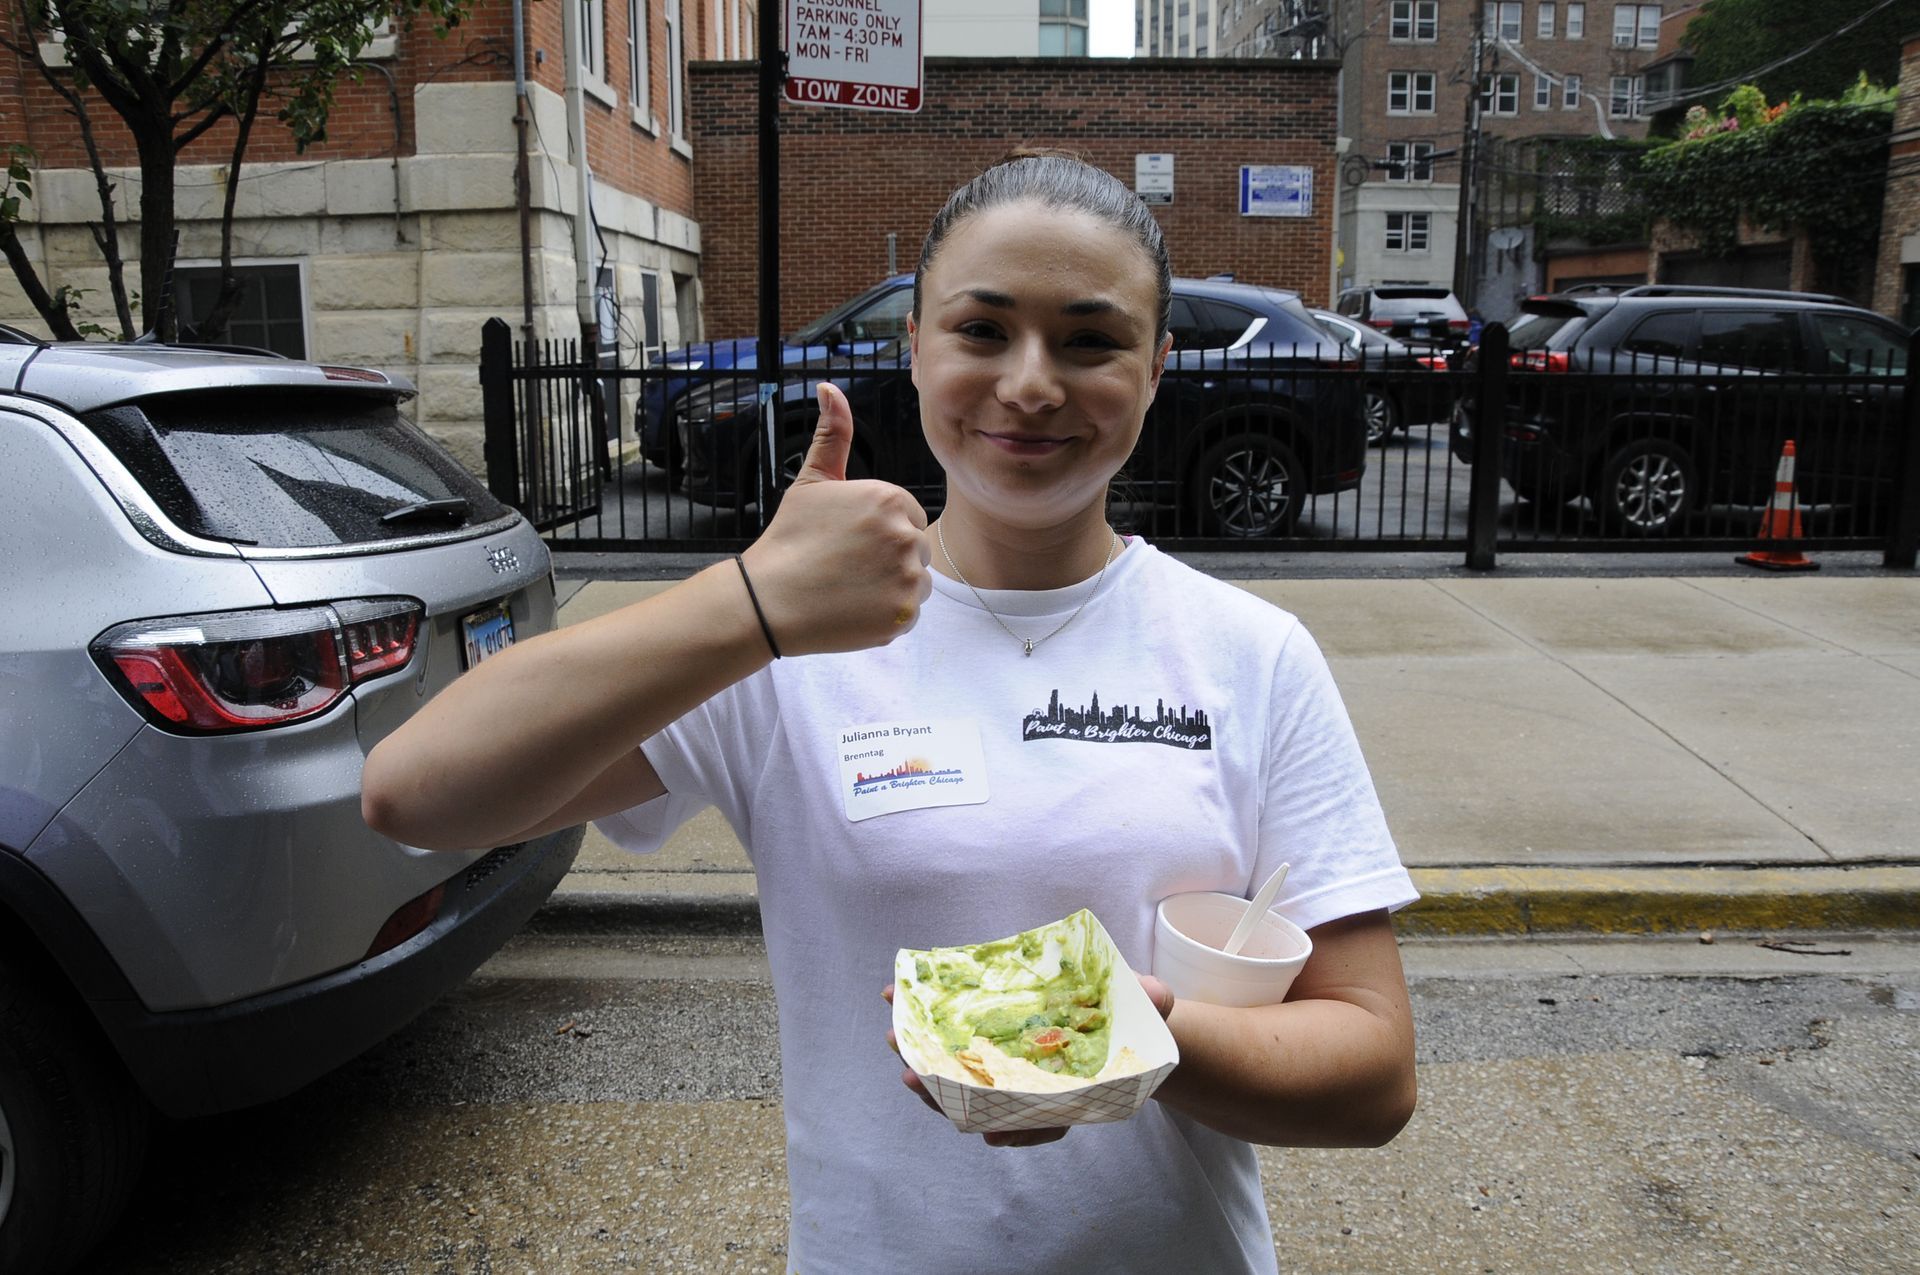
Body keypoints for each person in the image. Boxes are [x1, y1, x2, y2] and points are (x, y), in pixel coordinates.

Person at [363, 150, 1418, 1273]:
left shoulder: (1250, 657)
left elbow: (1373, 1070)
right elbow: (417, 794)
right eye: (982, 329)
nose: (1029, 382)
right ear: (913, 349)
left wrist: (1132, 1039)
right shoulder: (788, 641)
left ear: (1157, 368)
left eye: (1090, 340)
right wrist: (750, 601)